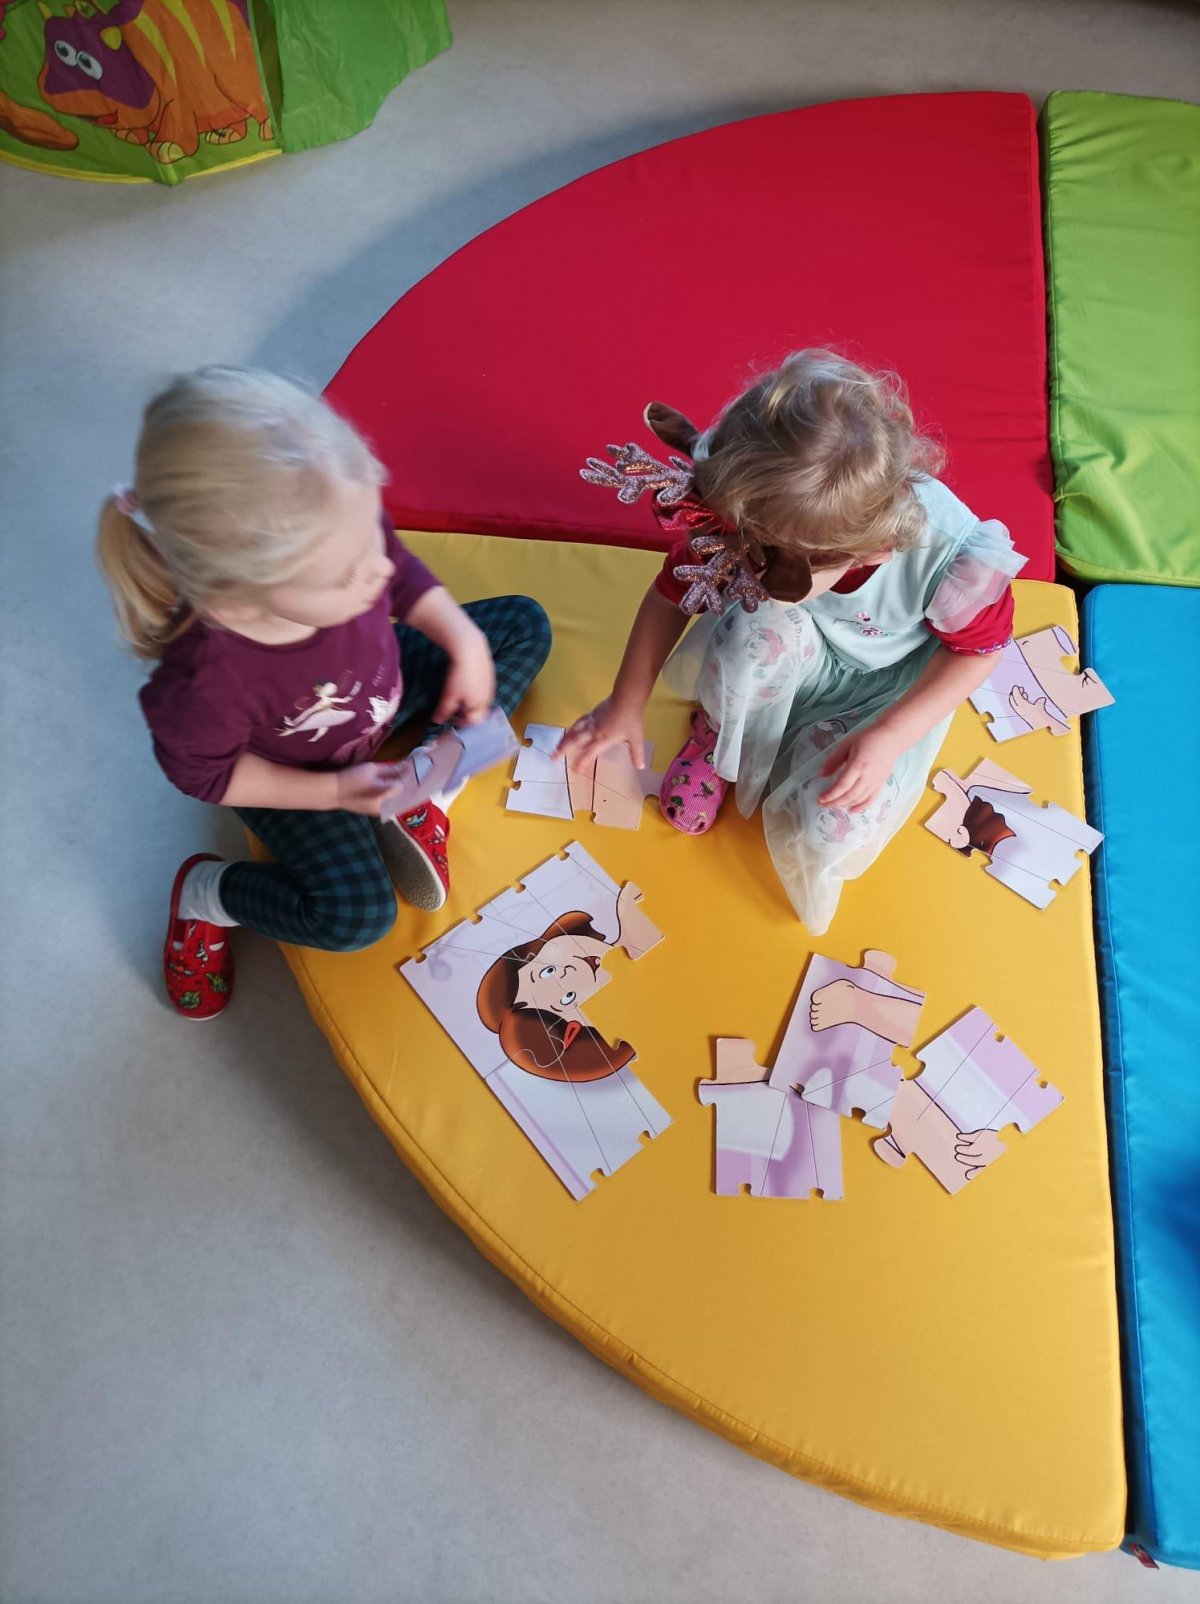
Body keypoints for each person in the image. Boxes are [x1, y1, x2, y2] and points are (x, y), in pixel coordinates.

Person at [96, 366, 550, 1019]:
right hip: (297, 773)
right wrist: (333, 793)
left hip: (381, 691)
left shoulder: (337, 535)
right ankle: (206, 894)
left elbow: (397, 571)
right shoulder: (204, 684)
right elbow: (208, 776)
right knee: (356, 917)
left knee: (521, 625)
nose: (379, 566)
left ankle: (430, 794)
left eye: (370, 533)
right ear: (236, 596)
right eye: (347, 573)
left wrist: (463, 642)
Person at [560, 350, 1024, 933]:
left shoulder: (953, 558)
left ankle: (817, 744)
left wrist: (889, 737)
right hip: (798, 645)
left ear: (871, 552)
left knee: (834, 825)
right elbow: (671, 593)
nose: (747, 566)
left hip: (885, 693)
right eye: (744, 549)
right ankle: (717, 735)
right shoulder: (755, 503)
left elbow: (978, 653)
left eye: (772, 569)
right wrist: (625, 703)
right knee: (750, 628)